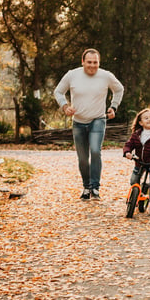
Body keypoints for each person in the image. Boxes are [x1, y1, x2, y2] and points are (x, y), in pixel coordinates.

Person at [54, 48, 124, 201]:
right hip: (78, 122)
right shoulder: (72, 75)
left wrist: (113, 106)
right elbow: (58, 91)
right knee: (83, 158)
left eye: (95, 62)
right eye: (89, 62)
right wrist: (65, 107)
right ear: (83, 62)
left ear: (99, 62)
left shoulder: (106, 76)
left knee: (95, 151)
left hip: (98, 119)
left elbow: (119, 89)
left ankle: (95, 188)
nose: (92, 65)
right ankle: (86, 187)